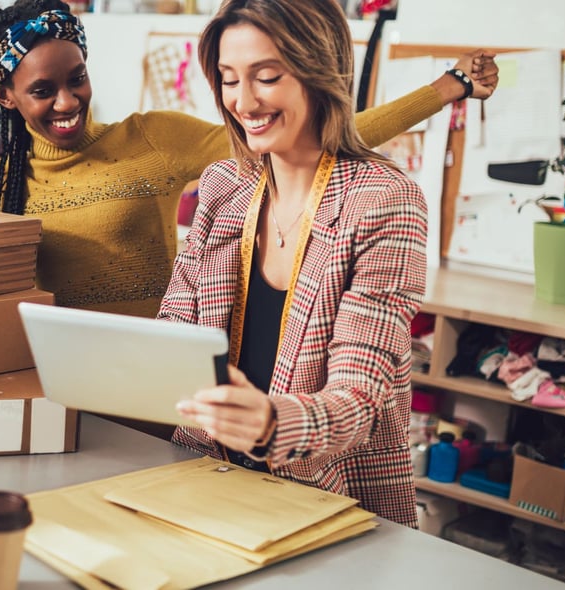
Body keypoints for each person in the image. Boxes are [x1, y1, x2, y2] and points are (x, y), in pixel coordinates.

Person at [0, 0, 497, 321]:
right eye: (41, 90)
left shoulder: (155, 139)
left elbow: (313, 134)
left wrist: (444, 89)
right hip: (63, 383)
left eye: (75, 77)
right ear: (7, 99)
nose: (66, 100)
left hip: (168, 375)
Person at [164, 0, 441, 527]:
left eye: (266, 77)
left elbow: (359, 397)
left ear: (321, 72)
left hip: (325, 500)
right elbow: (174, 329)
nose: (243, 101)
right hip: (202, 479)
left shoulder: (384, 200)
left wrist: (270, 424)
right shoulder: (223, 188)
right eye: (228, 79)